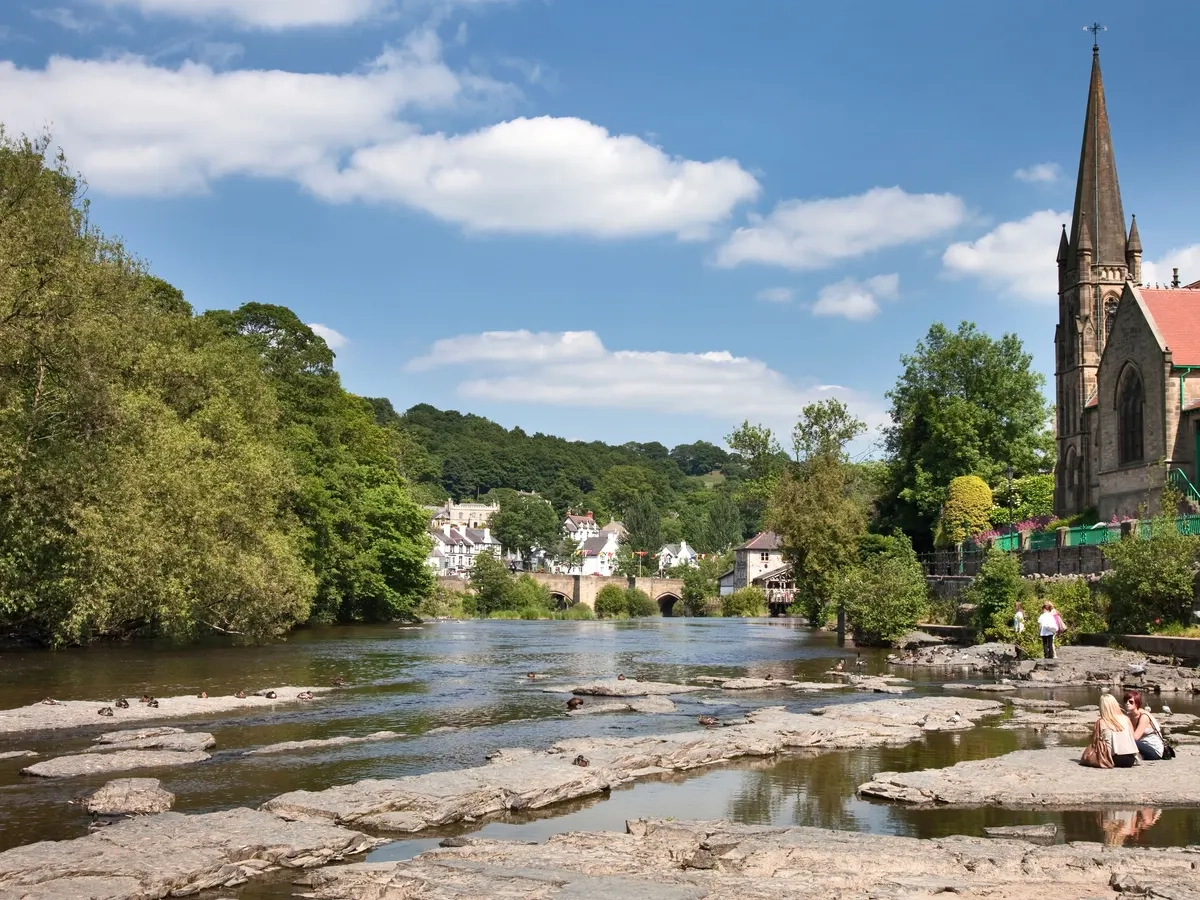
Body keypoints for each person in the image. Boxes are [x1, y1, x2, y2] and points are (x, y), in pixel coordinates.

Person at [1098, 693, 1139, 767]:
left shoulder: (1101, 721)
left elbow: (1095, 741)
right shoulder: (1126, 719)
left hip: (1113, 759)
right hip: (1130, 759)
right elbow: (1132, 738)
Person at [1123, 689, 1166, 760]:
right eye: (1126, 701)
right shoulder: (1129, 715)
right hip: (1141, 746)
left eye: (1131, 702)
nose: (1127, 703)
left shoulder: (1144, 716)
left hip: (1154, 750)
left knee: (1130, 741)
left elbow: (1135, 737)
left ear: (1137, 703)